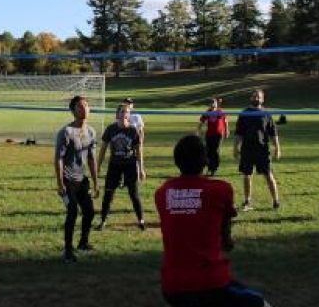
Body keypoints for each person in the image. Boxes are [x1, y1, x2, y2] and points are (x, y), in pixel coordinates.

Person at [156, 135, 271, 307]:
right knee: (260, 303)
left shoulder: (162, 193)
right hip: (209, 284)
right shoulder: (221, 189)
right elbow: (226, 236)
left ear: (176, 161)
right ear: (205, 160)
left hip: (172, 287)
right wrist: (226, 239)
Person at [55, 95, 99, 263]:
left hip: (82, 180)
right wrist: (60, 184)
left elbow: (91, 159)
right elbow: (58, 159)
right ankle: (67, 251)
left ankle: (83, 243)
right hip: (67, 180)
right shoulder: (66, 132)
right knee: (72, 212)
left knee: (89, 211)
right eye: (80, 107)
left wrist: (95, 182)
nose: (85, 109)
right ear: (73, 111)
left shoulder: (91, 132)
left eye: (86, 106)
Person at [97, 103, 146, 231]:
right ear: (117, 114)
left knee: (133, 193)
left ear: (129, 115)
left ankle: (141, 221)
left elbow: (139, 150)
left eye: (127, 112)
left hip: (130, 165)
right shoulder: (110, 129)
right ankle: (102, 221)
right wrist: (97, 166)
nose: (124, 114)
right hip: (115, 165)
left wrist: (141, 169)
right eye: (122, 111)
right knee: (108, 194)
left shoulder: (133, 130)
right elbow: (102, 149)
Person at [233, 89, 280, 211]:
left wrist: (277, 148)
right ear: (251, 98)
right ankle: (247, 201)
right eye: (254, 97)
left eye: (258, 97)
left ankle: (276, 201)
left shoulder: (266, 114)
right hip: (247, 149)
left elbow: (273, 132)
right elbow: (239, 133)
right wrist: (235, 148)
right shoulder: (244, 113)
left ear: (262, 99)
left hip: (262, 150)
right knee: (247, 175)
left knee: (269, 175)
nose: (256, 99)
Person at [198, 97, 229, 176]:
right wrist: (198, 131)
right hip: (209, 134)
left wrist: (227, 131)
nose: (212, 104)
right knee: (208, 151)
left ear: (216, 103)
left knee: (215, 150)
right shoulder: (207, 112)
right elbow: (201, 121)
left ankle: (214, 168)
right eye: (211, 103)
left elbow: (225, 121)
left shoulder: (220, 111)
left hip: (218, 134)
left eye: (214, 103)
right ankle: (209, 167)